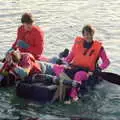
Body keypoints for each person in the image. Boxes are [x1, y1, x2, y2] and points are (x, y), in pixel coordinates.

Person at [51, 24, 110, 103]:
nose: (87, 36)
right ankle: (67, 83)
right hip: (74, 67)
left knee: (78, 75)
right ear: (83, 35)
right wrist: (63, 62)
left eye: (89, 34)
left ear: (93, 34)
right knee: (56, 67)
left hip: (87, 72)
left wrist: (99, 68)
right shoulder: (78, 44)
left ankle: (73, 97)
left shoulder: (99, 48)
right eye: (85, 34)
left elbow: (106, 62)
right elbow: (70, 57)